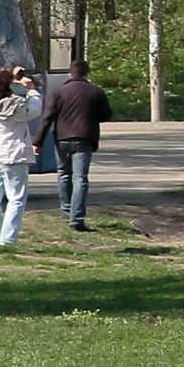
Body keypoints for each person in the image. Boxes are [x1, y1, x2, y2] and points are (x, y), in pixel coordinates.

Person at [0, 64, 42, 247]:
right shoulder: (17, 105)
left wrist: (9, 77)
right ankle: (8, 239)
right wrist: (31, 89)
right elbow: (35, 109)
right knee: (16, 198)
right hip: (12, 155)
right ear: (8, 86)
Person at [44, 51, 110, 232]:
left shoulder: (59, 92)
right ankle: (77, 217)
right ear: (87, 73)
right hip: (84, 138)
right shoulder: (95, 91)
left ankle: (66, 211)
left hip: (62, 138)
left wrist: (37, 141)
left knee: (63, 174)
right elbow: (106, 115)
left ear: (70, 73)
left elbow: (48, 116)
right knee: (80, 178)